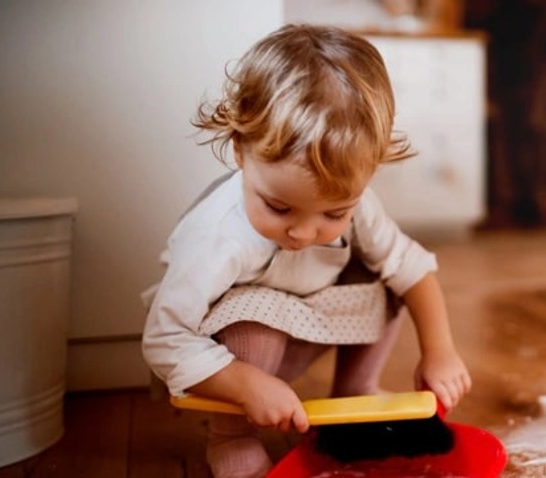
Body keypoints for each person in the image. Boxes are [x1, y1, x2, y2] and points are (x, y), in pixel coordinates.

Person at [140, 24, 471, 478]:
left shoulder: (359, 206)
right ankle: (231, 437)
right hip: (238, 350)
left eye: (334, 214)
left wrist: (440, 350)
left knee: (388, 281)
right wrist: (244, 382)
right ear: (240, 149)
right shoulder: (217, 235)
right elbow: (164, 338)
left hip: (312, 318)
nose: (303, 232)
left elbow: (413, 270)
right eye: (278, 207)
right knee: (252, 326)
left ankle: (354, 393)